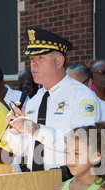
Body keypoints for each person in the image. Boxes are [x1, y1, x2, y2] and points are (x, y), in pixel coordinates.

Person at [7, 27, 100, 176]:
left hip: (66, 180)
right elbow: (21, 150)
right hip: (33, 179)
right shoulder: (34, 101)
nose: (33, 64)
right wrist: (14, 130)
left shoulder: (81, 95)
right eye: (32, 59)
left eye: (40, 58)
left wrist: (37, 130)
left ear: (59, 61)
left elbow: (82, 142)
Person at [67, 63, 105, 132]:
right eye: (67, 85)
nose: (70, 89)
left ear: (89, 83)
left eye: (76, 85)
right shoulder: (60, 107)